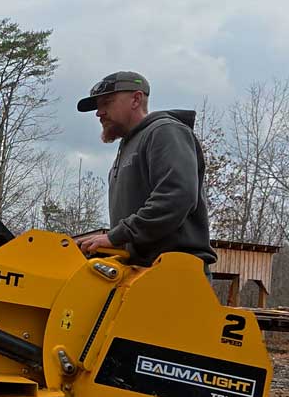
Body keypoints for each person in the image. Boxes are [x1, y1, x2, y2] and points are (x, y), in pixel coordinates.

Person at [75, 72, 216, 272]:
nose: (99, 113)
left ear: (136, 99)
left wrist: (116, 236)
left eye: (107, 102)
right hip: (141, 271)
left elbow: (176, 196)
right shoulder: (128, 147)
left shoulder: (165, 131)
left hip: (173, 272)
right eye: (98, 106)